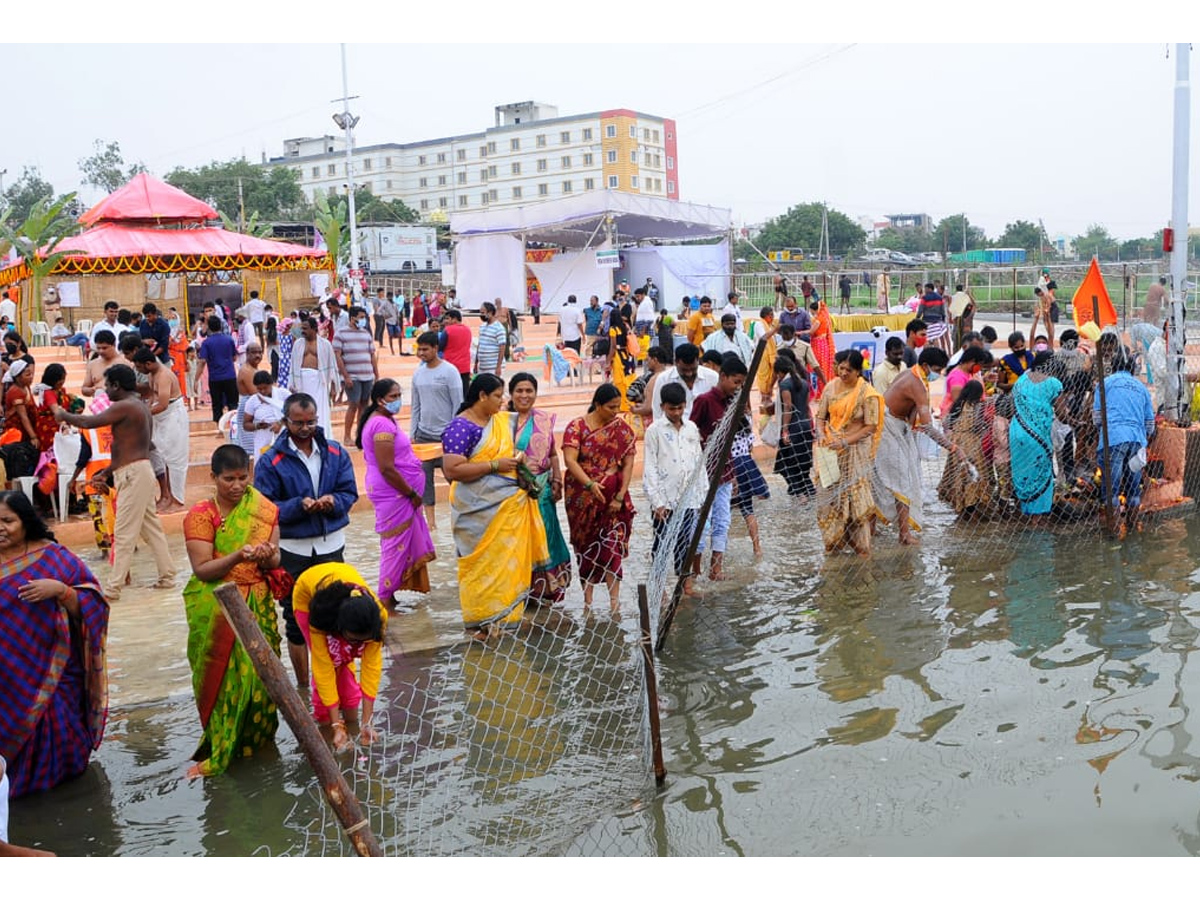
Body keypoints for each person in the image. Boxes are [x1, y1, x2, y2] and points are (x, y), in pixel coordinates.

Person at [181, 445, 282, 778]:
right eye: (228, 479)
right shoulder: (201, 514)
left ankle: (258, 746)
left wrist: (266, 556)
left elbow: (276, 559)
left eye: (242, 478)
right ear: (213, 477)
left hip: (258, 602)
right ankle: (223, 748)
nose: (237, 486)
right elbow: (203, 569)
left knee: (262, 680)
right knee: (225, 682)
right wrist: (239, 555)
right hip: (217, 607)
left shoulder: (263, 510)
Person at [0, 491, 109, 797]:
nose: (1, 528)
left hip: (54, 673)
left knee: (58, 733)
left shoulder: (55, 558)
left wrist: (61, 590)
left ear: (25, 521)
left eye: (8, 520)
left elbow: (96, 606)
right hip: (7, 679)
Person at [254, 392, 359, 692]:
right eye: (298, 423)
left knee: (335, 614)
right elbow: (264, 507)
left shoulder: (336, 452)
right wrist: (298, 506)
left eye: (310, 421)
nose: (305, 428)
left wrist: (331, 502)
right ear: (285, 422)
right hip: (293, 549)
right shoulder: (270, 460)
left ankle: (336, 682)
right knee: (295, 620)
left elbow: (349, 493)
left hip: (330, 546)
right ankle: (303, 687)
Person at [54, 364, 176, 599]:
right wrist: (108, 471)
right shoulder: (139, 406)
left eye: (108, 385)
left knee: (123, 532)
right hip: (136, 471)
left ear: (117, 386)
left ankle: (112, 588)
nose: (105, 390)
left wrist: (63, 414)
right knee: (151, 529)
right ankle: (168, 575)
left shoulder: (125, 406)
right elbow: (132, 448)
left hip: (134, 474)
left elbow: (89, 423)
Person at [442, 374, 549, 635]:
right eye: (498, 396)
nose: (503, 401)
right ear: (481, 396)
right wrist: (494, 465)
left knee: (505, 564)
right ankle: (480, 623)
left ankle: (504, 617)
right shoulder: (461, 427)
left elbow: (505, 457)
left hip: (506, 507)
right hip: (475, 513)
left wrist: (516, 462)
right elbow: (452, 470)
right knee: (480, 568)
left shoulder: (498, 422)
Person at [291, 563, 386, 750]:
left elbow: (371, 668)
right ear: (339, 628)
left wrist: (367, 722)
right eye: (354, 640)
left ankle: (352, 719)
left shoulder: (378, 618)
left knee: (345, 659)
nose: (359, 647)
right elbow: (322, 667)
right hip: (308, 597)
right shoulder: (320, 620)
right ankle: (330, 723)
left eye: (364, 642)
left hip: (340, 589)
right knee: (333, 660)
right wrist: (336, 725)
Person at [357, 379, 436, 602]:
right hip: (395, 493)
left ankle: (390, 598)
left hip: (397, 492)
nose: (398, 400)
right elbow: (387, 468)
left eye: (399, 395)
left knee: (398, 543)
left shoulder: (383, 419)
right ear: (380, 399)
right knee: (394, 545)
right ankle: (384, 599)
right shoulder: (381, 424)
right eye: (393, 396)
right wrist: (411, 493)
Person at [872, 347, 959, 545]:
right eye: (937, 369)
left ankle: (876, 529)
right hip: (887, 429)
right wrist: (952, 447)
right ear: (926, 366)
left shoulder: (909, 372)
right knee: (901, 480)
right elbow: (928, 425)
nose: (938, 374)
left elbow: (910, 411)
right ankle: (904, 535)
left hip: (895, 426)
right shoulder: (917, 384)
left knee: (886, 479)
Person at [562, 383, 637, 611]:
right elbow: (570, 460)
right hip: (581, 498)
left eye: (618, 407)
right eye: (611, 407)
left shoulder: (622, 429)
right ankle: (588, 602)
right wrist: (589, 483)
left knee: (612, 545)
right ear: (597, 405)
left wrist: (620, 495)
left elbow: (628, 462)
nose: (615, 412)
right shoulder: (576, 427)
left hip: (612, 499)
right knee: (585, 546)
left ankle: (615, 602)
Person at [509, 373, 572, 605]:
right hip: (513, 492)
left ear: (536, 393)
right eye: (519, 390)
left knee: (545, 536)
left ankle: (546, 589)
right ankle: (521, 589)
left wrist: (557, 478)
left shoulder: (544, 420)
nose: (524, 395)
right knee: (519, 540)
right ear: (511, 393)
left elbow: (553, 453)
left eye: (529, 391)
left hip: (543, 490)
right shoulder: (502, 421)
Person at [814, 349, 884, 555]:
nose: (843, 373)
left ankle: (861, 549)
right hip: (829, 450)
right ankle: (832, 544)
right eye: (841, 368)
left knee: (854, 502)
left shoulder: (867, 394)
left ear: (858, 372)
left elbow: (870, 427)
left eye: (849, 370)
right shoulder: (830, 387)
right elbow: (820, 417)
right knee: (827, 499)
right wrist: (820, 434)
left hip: (855, 452)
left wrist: (845, 442)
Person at [689, 355, 748, 581]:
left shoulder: (734, 403)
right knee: (702, 522)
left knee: (723, 520)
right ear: (722, 376)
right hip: (704, 473)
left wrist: (732, 475)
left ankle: (716, 568)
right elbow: (692, 435)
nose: (737, 387)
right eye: (735, 382)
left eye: (741, 384)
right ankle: (694, 571)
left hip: (725, 470)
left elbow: (730, 440)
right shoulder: (704, 400)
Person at [642, 381, 703, 596]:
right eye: (671, 409)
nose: (676, 413)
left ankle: (685, 585)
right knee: (661, 544)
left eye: (679, 408)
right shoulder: (654, 431)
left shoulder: (691, 428)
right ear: (662, 407)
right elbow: (650, 467)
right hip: (664, 500)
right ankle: (659, 589)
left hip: (688, 498)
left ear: (685, 405)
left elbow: (698, 461)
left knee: (685, 543)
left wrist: (701, 494)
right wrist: (657, 501)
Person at [1094, 346, 1156, 535]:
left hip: (1113, 439)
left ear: (1112, 365)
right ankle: (1132, 528)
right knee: (1133, 489)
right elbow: (1150, 424)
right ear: (1132, 368)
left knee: (1111, 490)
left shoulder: (1105, 383)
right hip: (1137, 441)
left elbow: (1096, 418)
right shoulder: (1141, 387)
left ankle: (1112, 532)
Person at [410, 331, 463, 530]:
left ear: (435, 348)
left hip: (447, 437)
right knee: (425, 482)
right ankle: (431, 524)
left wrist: (455, 435)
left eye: (425, 349)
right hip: (424, 436)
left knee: (455, 480)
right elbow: (416, 405)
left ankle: (462, 517)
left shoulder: (450, 372)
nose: (421, 353)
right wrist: (412, 433)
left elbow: (458, 404)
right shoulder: (418, 373)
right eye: (419, 349)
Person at [1009, 351, 1069, 520]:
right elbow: (1062, 413)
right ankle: (1038, 520)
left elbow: (1013, 409)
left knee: (1024, 472)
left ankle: (1025, 515)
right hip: (1037, 437)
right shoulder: (1054, 384)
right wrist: (1073, 420)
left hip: (1017, 432)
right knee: (1041, 473)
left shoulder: (1021, 381)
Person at [132, 348, 189, 511]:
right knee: (163, 457)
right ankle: (167, 496)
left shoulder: (164, 376)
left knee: (174, 459)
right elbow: (152, 396)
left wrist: (142, 413)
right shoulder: (151, 374)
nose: (139, 371)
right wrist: (147, 407)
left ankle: (176, 500)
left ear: (148, 364)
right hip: (161, 418)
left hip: (173, 416)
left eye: (139, 367)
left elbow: (163, 404)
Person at [937, 380, 995, 518]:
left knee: (959, 474)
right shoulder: (977, 407)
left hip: (956, 444)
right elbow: (978, 425)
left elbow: (947, 422)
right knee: (975, 474)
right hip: (971, 443)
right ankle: (972, 509)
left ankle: (962, 507)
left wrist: (955, 434)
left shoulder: (958, 404)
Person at [333, 305, 379, 446]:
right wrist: (345, 376)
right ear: (352, 318)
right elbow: (338, 356)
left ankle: (361, 435)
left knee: (365, 405)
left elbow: (372, 355)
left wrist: (376, 374)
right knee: (353, 404)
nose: (363, 320)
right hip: (352, 376)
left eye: (364, 317)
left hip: (367, 376)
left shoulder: (365, 334)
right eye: (360, 317)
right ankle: (347, 436)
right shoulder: (340, 333)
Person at [288, 316, 340, 437]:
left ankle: (322, 436)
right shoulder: (298, 344)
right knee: (303, 409)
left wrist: (333, 387)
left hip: (319, 382)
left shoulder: (325, 344)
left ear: (314, 329)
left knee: (320, 411)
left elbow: (332, 366)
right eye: (302, 328)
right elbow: (293, 366)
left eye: (305, 328)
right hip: (301, 383)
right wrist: (292, 384)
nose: (303, 331)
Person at [773, 354, 816, 498]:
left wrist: (785, 430)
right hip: (805, 425)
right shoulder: (804, 382)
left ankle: (799, 493)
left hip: (793, 427)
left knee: (787, 462)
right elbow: (806, 406)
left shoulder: (784, 385)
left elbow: (788, 407)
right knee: (803, 462)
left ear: (779, 372)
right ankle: (808, 491)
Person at [650, 342, 719, 423]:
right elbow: (657, 412)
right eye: (684, 370)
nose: (689, 374)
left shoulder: (713, 377)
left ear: (698, 361)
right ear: (675, 362)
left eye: (693, 369)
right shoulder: (664, 379)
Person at [196, 315, 239, 424]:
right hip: (230, 376)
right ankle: (234, 427)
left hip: (215, 378)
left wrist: (196, 379)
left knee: (217, 405)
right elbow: (234, 357)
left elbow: (202, 362)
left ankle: (219, 428)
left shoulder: (206, 343)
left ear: (209, 328)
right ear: (220, 326)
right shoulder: (229, 339)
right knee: (233, 403)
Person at [1, 358, 39, 480]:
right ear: (18, 377)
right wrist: (33, 436)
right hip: (17, 431)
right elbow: (23, 416)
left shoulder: (26, 387)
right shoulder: (15, 391)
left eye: (31, 374)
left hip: (26, 430)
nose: (31, 377)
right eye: (27, 375)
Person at [243, 370, 287, 460]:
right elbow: (246, 425)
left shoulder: (283, 394)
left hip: (283, 435)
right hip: (263, 438)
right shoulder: (252, 401)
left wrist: (280, 423)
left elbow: (295, 412)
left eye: (265, 388)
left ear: (271, 384)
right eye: (259, 389)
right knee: (263, 463)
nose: (262, 391)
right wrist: (258, 426)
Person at [606, 305, 638, 413]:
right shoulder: (625, 326)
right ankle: (631, 401)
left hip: (619, 356)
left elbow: (613, 346)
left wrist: (608, 361)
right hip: (628, 355)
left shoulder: (613, 329)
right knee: (629, 378)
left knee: (620, 381)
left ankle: (623, 405)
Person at [234, 343, 263, 462]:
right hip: (249, 408)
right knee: (249, 449)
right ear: (247, 354)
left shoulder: (253, 368)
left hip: (254, 407)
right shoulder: (247, 370)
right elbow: (256, 393)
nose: (258, 355)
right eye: (254, 352)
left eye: (260, 352)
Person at [439, 308, 474, 399]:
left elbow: (440, 347)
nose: (446, 321)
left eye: (448, 318)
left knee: (450, 395)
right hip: (465, 367)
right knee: (464, 393)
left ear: (454, 319)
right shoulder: (468, 330)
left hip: (450, 366)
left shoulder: (448, 330)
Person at [809, 296, 835, 398]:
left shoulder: (819, 319)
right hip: (822, 344)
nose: (810, 313)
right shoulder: (823, 317)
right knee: (822, 369)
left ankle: (822, 393)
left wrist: (799, 332)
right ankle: (822, 392)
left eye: (811, 311)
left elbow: (811, 332)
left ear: (815, 310)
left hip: (819, 345)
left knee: (819, 369)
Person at [474, 301, 507, 379]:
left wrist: (498, 367)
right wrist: (476, 363)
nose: (481, 315)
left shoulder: (499, 328)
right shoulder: (482, 327)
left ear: (490, 312)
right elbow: (480, 345)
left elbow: (502, 348)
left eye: (483, 313)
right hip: (482, 367)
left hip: (493, 367)